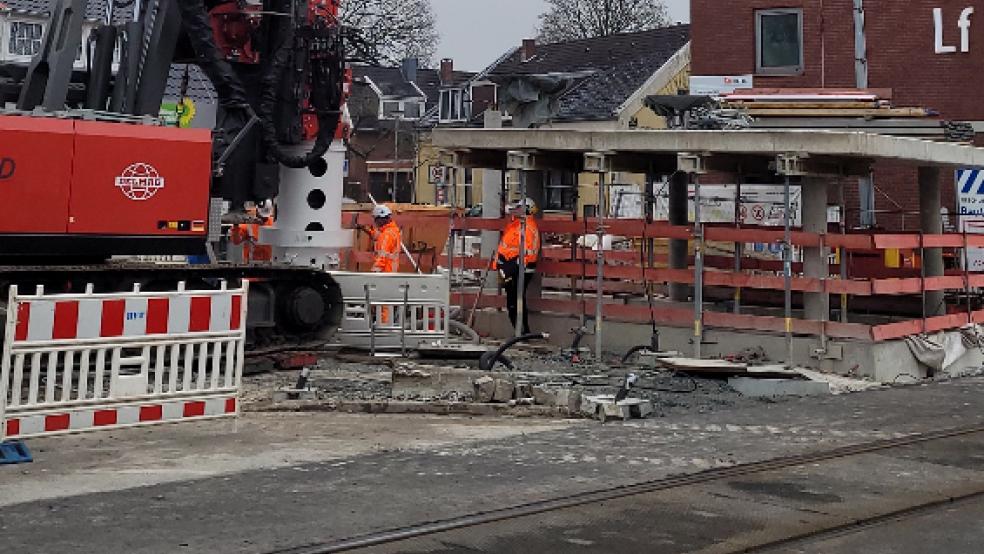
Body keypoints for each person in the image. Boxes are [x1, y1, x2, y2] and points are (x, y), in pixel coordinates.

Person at [494, 198, 541, 335]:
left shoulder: (528, 227)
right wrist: (500, 262)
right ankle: (520, 331)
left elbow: (529, 253)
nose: (516, 210)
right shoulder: (515, 224)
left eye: (520, 208)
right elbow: (505, 246)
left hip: (519, 267)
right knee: (511, 298)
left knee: (516, 298)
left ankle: (522, 331)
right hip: (506, 266)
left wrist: (513, 265)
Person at [368, 204, 402, 274]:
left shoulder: (386, 234)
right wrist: (367, 229)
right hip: (391, 272)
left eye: (375, 219)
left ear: (380, 219)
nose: (375, 222)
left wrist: (375, 272)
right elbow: (377, 236)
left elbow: (382, 256)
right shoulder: (394, 230)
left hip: (384, 273)